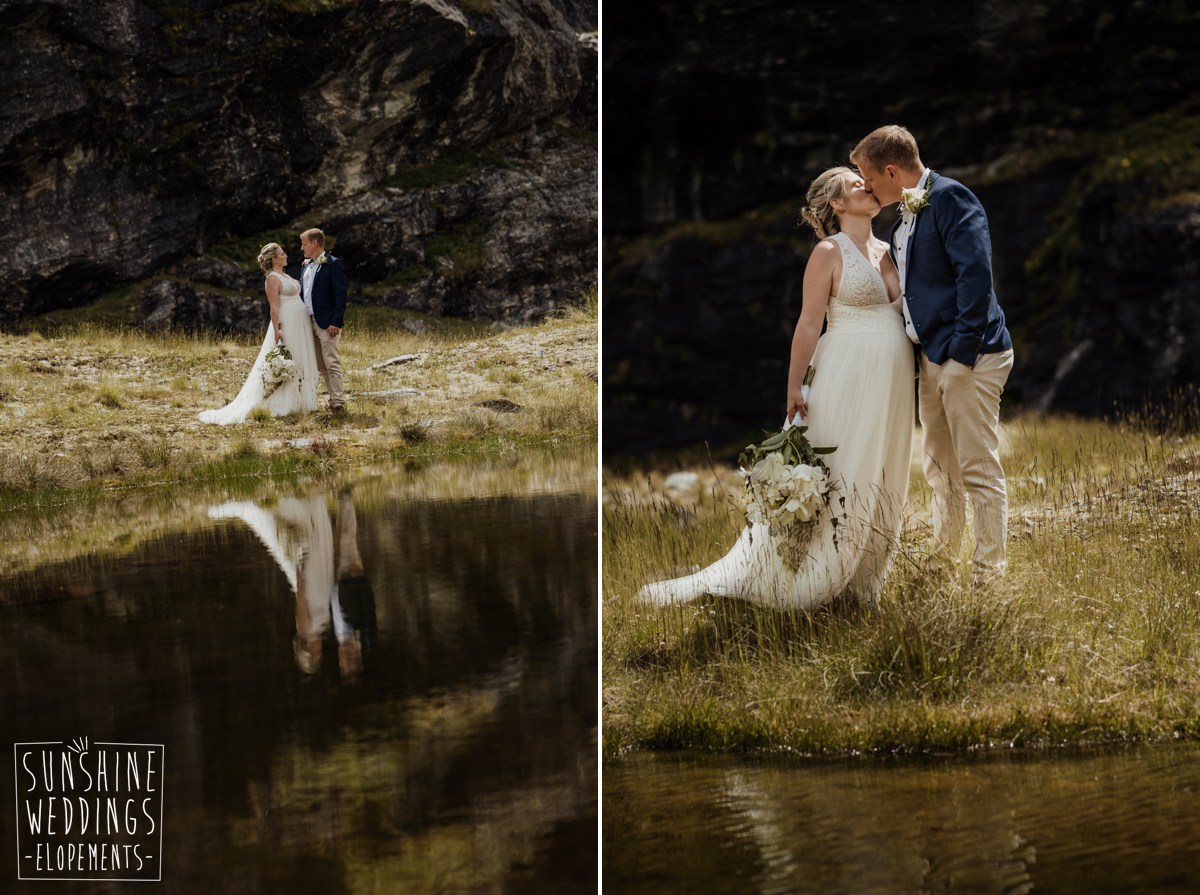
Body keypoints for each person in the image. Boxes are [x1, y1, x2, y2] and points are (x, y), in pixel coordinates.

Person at [638, 167, 915, 608]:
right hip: (845, 374)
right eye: (854, 182)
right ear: (836, 204)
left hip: (894, 382)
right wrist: (793, 388)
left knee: (885, 471)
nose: (867, 184)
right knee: (843, 470)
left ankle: (864, 582)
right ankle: (812, 579)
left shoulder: (892, 248)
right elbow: (808, 323)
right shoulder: (828, 251)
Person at [850, 125, 1013, 587]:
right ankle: (945, 559)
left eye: (867, 176)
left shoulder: (951, 198)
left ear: (890, 170)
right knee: (940, 467)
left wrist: (961, 356)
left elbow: (975, 278)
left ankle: (989, 572)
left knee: (977, 465)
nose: (864, 186)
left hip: (971, 356)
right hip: (932, 359)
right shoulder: (904, 217)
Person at [198, 243, 318, 424]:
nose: (286, 255)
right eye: (282, 253)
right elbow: (274, 306)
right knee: (289, 359)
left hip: (300, 323)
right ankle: (281, 402)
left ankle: (299, 400)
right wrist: (277, 329)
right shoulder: (272, 279)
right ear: (274, 259)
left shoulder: (284, 275)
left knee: (300, 358)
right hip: (288, 324)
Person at [299, 228, 348, 413]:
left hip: (327, 323)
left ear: (314, 243)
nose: (301, 247)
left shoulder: (333, 264)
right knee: (321, 365)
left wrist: (336, 321)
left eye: (303, 243)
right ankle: (333, 400)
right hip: (308, 322)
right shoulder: (305, 266)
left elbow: (340, 294)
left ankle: (338, 403)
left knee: (332, 362)